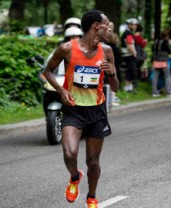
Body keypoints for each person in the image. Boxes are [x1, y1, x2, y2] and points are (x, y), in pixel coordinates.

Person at [43, 10, 119, 208]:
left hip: (96, 111)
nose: (109, 30)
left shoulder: (107, 51)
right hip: (74, 110)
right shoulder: (67, 48)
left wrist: (111, 74)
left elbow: (116, 87)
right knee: (70, 153)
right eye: (107, 25)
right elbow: (47, 71)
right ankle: (75, 177)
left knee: (93, 161)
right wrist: (61, 90)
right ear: (96, 26)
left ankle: (91, 196)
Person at [151, 28, 171, 97]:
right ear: (167, 36)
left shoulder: (156, 41)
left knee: (155, 76)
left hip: (156, 60)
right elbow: (170, 51)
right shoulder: (165, 42)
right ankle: (168, 91)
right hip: (163, 60)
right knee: (167, 76)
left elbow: (152, 49)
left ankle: (154, 92)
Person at [121, 18, 138, 92]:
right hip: (128, 55)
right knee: (130, 71)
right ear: (129, 25)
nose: (135, 26)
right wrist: (135, 54)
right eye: (134, 25)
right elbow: (129, 45)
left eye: (135, 25)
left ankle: (130, 87)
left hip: (128, 55)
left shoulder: (128, 33)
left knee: (131, 71)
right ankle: (127, 88)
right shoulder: (128, 34)